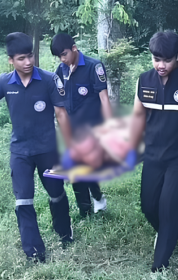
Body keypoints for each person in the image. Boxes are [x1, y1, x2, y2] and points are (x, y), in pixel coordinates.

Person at [0, 32, 73, 263]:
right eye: (21, 58)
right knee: (23, 201)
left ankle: (64, 232)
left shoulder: (49, 79)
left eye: (30, 56)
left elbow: (61, 114)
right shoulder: (4, 82)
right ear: (11, 60)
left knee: (57, 195)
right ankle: (34, 252)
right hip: (20, 152)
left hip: (48, 150)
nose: (28, 62)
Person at [129, 31, 178, 272]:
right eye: (156, 59)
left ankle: (159, 268)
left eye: (167, 60)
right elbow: (138, 118)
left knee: (168, 207)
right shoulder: (144, 81)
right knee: (149, 206)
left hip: (176, 159)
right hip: (153, 155)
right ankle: (170, 234)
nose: (161, 65)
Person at [50, 33, 112, 216]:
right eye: (59, 56)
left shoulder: (94, 66)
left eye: (64, 54)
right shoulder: (61, 70)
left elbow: (104, 99)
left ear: (74, 49)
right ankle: (85, 210)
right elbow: (56, 99)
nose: (62, 59)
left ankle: (98, 198)